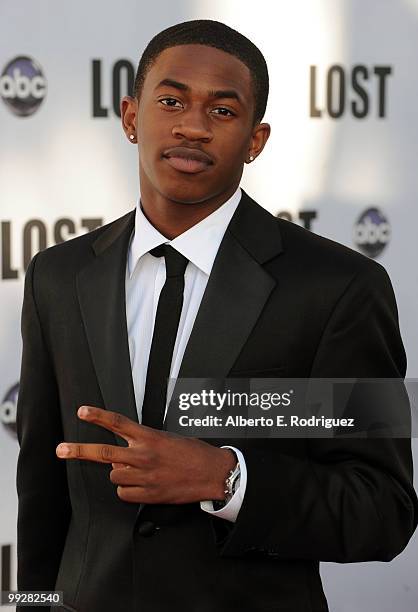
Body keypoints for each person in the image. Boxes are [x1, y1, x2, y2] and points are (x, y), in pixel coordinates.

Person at [16, 19, 417, 612]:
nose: (193, 126)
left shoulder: (337, 287)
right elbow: (43, 496)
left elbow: (380, 508)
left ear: (256, 140)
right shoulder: (59, 275)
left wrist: (226, 479)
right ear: (131, 117)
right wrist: (32, 604)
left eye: (223, 112)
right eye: (172, 100)